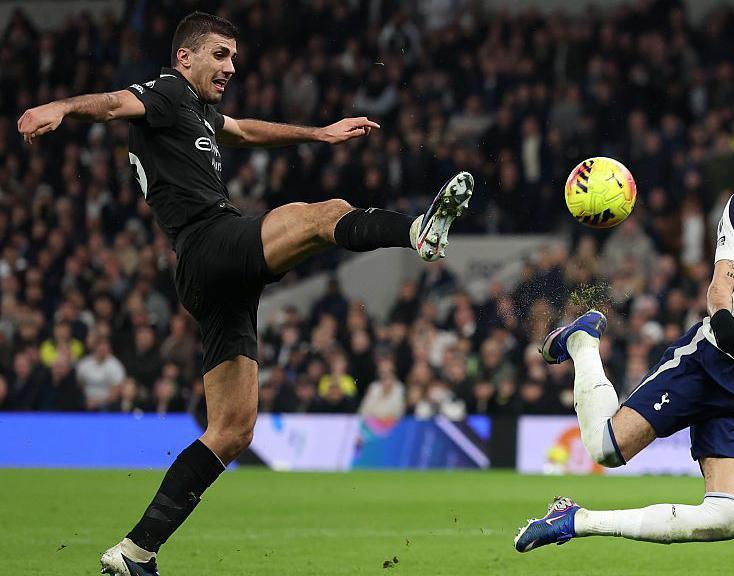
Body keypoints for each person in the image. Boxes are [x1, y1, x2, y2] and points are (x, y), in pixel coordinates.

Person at [17, 11, 473, 576]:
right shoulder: (163, 92)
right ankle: (415, 231)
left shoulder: (198, 109)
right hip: (208, 242)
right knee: (324, 214)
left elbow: (244, 129)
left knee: (232, 430)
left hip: (208, 275)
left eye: (233, 56)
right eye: (220, 55)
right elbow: (112, 105)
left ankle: (136, 551)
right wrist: (59, 107)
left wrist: (320, 132)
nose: (231, 66)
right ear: (185, 57)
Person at [515, 58, 734, 552]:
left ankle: (575, 520)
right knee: (604, 449)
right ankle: (582, 342)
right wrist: (722, 316)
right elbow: (721, 281)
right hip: (711, 361)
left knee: (726, 519)